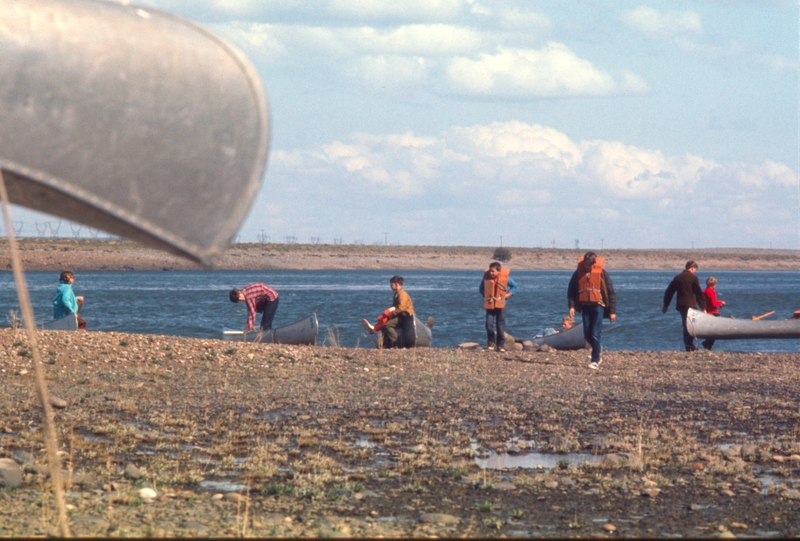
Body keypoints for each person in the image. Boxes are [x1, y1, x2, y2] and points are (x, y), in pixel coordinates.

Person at [567, 251, 616, 370]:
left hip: (598, 306)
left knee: (595, 333)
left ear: (594, 264)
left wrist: (612, 311)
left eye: (589, 266)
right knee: (587, 334)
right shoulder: (578, 273)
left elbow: (610, 292)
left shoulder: (602, 274)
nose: (586, 267)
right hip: (585, 306)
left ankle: (595, 360)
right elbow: (571, 290)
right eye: (585, 265)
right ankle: (597, 348)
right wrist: (572, 306)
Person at [662, 260, 706, 352]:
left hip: (681, 304)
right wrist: (703, 308)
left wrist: (666, 305)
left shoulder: (677, 278)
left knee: (686, 324)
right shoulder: (693, 278)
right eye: (695, 270)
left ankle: (688, 344)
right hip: (691, 304)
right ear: (692, 268)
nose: (695, 271)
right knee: (690, 324)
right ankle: (689, 344)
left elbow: (669, 292)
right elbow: (699, 294)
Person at [362, 275, 414, 348]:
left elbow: (401, 307)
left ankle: (396, 342)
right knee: (384, 324)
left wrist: (392, 314)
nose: (390, 286)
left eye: (391, 284)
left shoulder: (402, 294)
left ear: (396, 284)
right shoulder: (397, 294)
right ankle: (386, 343)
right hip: (400, 315)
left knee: (388, 325)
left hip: (405, 316)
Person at [480, 261, 518, 352]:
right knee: (488, 324)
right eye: (490, 271)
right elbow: (481, 289)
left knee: (500, 326)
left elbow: (515, 286)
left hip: (501, 305)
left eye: (493, 271)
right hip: (490, 304)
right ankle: (491, 343)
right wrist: (486, 296)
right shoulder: (486, 278)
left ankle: (500, 345)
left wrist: (508, 295)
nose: (491, 273)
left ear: (498, 272)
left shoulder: (506, 278)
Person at [701, 276, 725, 351]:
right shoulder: (711, 292)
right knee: (715, 331)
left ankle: (707, 344)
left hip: (706, 313)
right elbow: (714, 303)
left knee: (709, 330)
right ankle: (708, 344)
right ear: (713, 284)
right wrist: (721, 302)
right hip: (713, 313)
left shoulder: (704, 291)